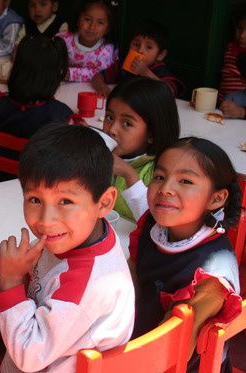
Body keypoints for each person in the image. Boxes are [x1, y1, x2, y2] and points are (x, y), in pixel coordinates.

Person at [0, 123, 135, 373]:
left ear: (104, 203)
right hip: (47, 365)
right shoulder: (79, 234)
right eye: (34, 199)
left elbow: (28, 356)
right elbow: (30, 273)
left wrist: (9, 282)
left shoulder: (83, 286)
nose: (45, 220)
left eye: (65, 201)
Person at [129, 137, 242, 373]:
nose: (165, 188)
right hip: (136, 346)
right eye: (159, 176)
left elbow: (174, 345)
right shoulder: (152, 227)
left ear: (216, 199)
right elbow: (132, 283)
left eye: (186, 181)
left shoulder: (211, 276)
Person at [103, 77, 179, 222]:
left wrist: (129, 175)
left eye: (126, 123)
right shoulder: (99, 154)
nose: (112, 129)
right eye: (109, 117)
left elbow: (155, 222)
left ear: (151, 134)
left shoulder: (162, 172)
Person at [0, 35, 73, 138]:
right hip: (33, 154)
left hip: (1, 154)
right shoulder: (60, 114)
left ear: (16, 70)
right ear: (55, 76)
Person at [92, 20, 185, 98]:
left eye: (148, 47)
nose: (140, 50)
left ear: (160, 55)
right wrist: (101, 85)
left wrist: (145, 72)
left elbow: (169, 92)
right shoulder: (122, 64)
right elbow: (98, 75)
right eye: (136, 44)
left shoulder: (160, 71)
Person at [56, 0, 118, 82]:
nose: (92, 27)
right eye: (87, 19)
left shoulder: (107, 51)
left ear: (107, 28)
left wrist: (70, 74)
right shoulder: (63, 39)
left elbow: (98, 74)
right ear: (78, 20)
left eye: (100, 22)